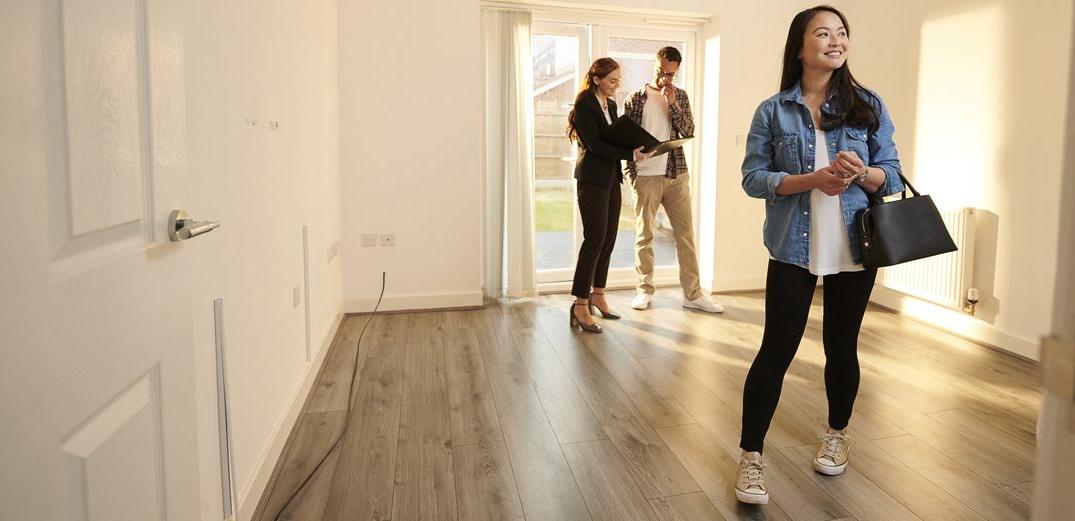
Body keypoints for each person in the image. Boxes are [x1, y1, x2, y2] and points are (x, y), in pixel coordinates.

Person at [734, 5, 905, 505]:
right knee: (775, 352)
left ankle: (837, 433)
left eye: (842, 33)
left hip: (856, 246)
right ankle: (750, 459)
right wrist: (813, 180)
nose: (836, 40)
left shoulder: (867, 103)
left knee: (841, 346)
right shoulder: (773, 110)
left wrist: (862, 173)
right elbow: (752, 178)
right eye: (823, 33)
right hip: (792, 247)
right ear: (800, 45)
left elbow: (891, 174)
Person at [624, 47, 723, 314]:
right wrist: (631, 173)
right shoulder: (636, 98)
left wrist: (673, 104)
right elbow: (625, 140)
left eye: (671, 73)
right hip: (646, 176)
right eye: (661, 71)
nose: (665, 77)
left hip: (676, 174)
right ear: (653, 65)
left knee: (685, 236)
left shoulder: (680, 96)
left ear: (676, 69)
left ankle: (692, 294)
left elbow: (689, 130)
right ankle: (644, 291)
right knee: (645, 235)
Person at [566, 58, 653, 333]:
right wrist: (630, 154)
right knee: (594, 240)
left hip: (612, 178)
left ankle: (598, 294)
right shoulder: (584, 104)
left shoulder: (611, 105)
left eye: (618, 80)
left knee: (608, 239)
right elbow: (593, 144)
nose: (617, 86)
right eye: (612, 81)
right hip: (591, 180)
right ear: (596, 79)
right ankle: (580, 304)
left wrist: (638, 145)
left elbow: (613, 138)